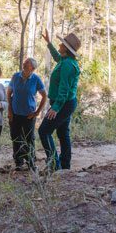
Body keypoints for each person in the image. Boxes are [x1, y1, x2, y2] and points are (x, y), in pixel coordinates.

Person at [38, 30, 81, 171]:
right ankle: (65, 165)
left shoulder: (68, 65)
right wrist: (49, 43)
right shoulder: (65, 61)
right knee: (63, 133)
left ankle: (55, 165)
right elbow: (57, 57)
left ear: (67, 49)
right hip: (65, 103)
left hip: (63, 104)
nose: (60, 45)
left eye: (61, 44)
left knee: (44, 131)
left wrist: (56, 108)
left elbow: (64, 89)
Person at [7, 57, 47, 171]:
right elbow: (9, 93)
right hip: (15, 114)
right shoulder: (16, 76)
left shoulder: (36, 79)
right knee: (16, 138)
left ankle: (30, 162)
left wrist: (37, 112)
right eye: (24, 62)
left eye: (27, 64)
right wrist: (9, 110)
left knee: (29, 139)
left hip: (29, 115)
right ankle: (18, 162)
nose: (24, 64)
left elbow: (44, 96)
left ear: (32, 68)